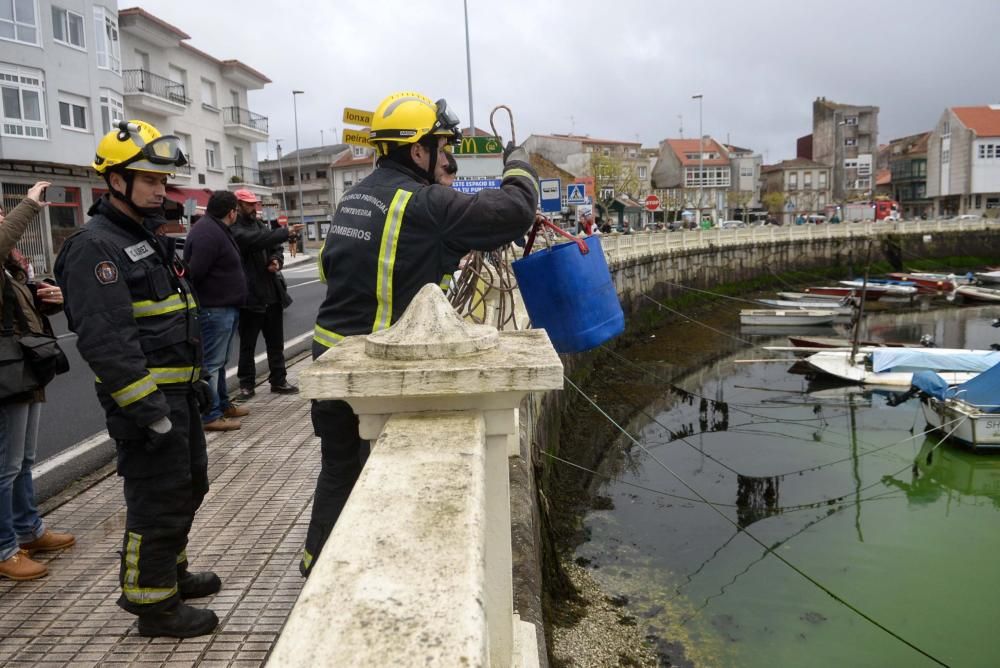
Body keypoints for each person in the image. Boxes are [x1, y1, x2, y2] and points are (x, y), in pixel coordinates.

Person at [302, 91, 538, 576]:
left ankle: (315, 566)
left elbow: (333, 272)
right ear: (417, 151)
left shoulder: (354, 196)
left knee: (340, 471)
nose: (447, 157)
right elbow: (513, 212)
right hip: (378, 368)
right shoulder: (423, 204)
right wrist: (518, 165)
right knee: (380, 479)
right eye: (442, 145)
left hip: (332, 357)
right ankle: (354, 575)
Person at [54, 120, 219, 638]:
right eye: (146, 179)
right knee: (156, 501)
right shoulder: (95, 247)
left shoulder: (143, 237)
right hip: (149, 405)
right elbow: (106, 342)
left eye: (162, 181)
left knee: (188, 488)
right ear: (115, 182)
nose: (158, 189)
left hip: (179, 396)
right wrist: (148, 412)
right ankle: (153, 605)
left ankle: (170, 573)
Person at [0, 182, 75, 582]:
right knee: (4, 466)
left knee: (23, 461)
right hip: (5, 374)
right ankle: (4, 548)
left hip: (20, 367)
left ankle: (28, 530)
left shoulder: (8, 268)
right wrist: (28, 204)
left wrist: (45, 297)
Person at [183, 190, 248, 432]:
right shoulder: (208, 233)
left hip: (224, 307)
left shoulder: (214, 229)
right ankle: (210, 415)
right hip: (214, 309)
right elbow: (195, 272)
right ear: (231, 212)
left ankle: (222, 405)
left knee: (220, 363)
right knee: (212, 364)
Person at [230, 189, 303, 398]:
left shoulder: (259, 225)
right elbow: (256, 240)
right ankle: (246, 384)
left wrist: (276, 260)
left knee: (276, 343)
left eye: (255, 204)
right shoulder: (235, 229)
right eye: (249, 204)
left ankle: (278, 380)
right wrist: (285, 231)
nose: (254, 208)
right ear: (238, 205)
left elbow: (273, 246)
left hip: (271, 294)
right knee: (247, 346)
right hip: (249, 297)